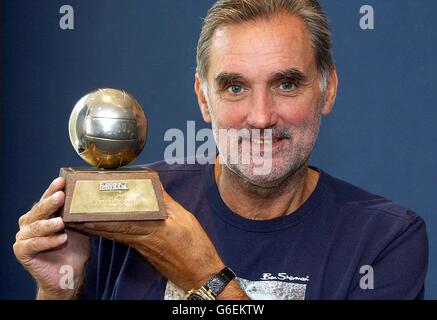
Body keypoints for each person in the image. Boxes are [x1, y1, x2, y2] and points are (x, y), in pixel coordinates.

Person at [13, 0, 428, 300]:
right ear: (203, 99)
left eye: (286, 84)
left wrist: (204, 276)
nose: (261, 117)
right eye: (235, 87)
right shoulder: (130, 208)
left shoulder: (385, 241)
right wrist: (58, 290)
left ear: (327, 90)